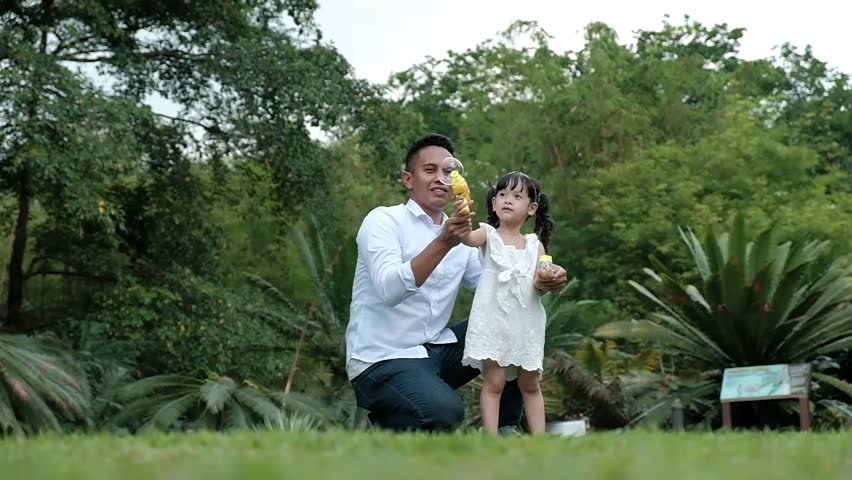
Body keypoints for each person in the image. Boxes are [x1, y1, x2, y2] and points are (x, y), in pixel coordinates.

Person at [345, 133, 568, 432]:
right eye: (430, 170)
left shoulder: (463, 234)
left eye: (448, 171)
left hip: (438, 349)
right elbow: (390, 289)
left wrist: (545, 279)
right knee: (444, 412)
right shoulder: (384, 221)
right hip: (382, 357)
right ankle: (390, 421)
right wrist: (443, 242)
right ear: (408, 179)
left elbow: (502, 284)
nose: (441, 179)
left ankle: (505, 429)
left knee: (514, 321)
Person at [458, 171, 553, 434]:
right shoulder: (487, 235)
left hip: (526, 323)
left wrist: (548, 277)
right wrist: (462, 215)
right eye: (502, 194)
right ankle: (491, 438)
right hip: (493, 321)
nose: (507, 199)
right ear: (493, 203)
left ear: (531, 208)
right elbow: (466, 238)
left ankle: (540, 441)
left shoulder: (535, 245)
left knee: (530, 383)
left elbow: (539, 282)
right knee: (495, 381)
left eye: (517, 196)